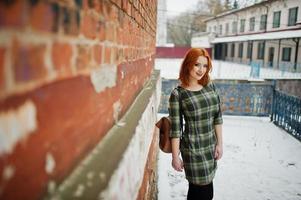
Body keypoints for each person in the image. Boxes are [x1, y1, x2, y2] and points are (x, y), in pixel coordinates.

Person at [169, 48, 223, 200]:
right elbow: (176, 129)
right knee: (201, 193)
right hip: (193, 149)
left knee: (207, 191)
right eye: (197, 65)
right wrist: (175, 156)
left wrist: (220, 143)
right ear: (188, 65)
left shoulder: (210, 86)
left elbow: (217, 117)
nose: (201, 70)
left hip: (210, 147)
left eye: (205, 66)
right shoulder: (178, 94)